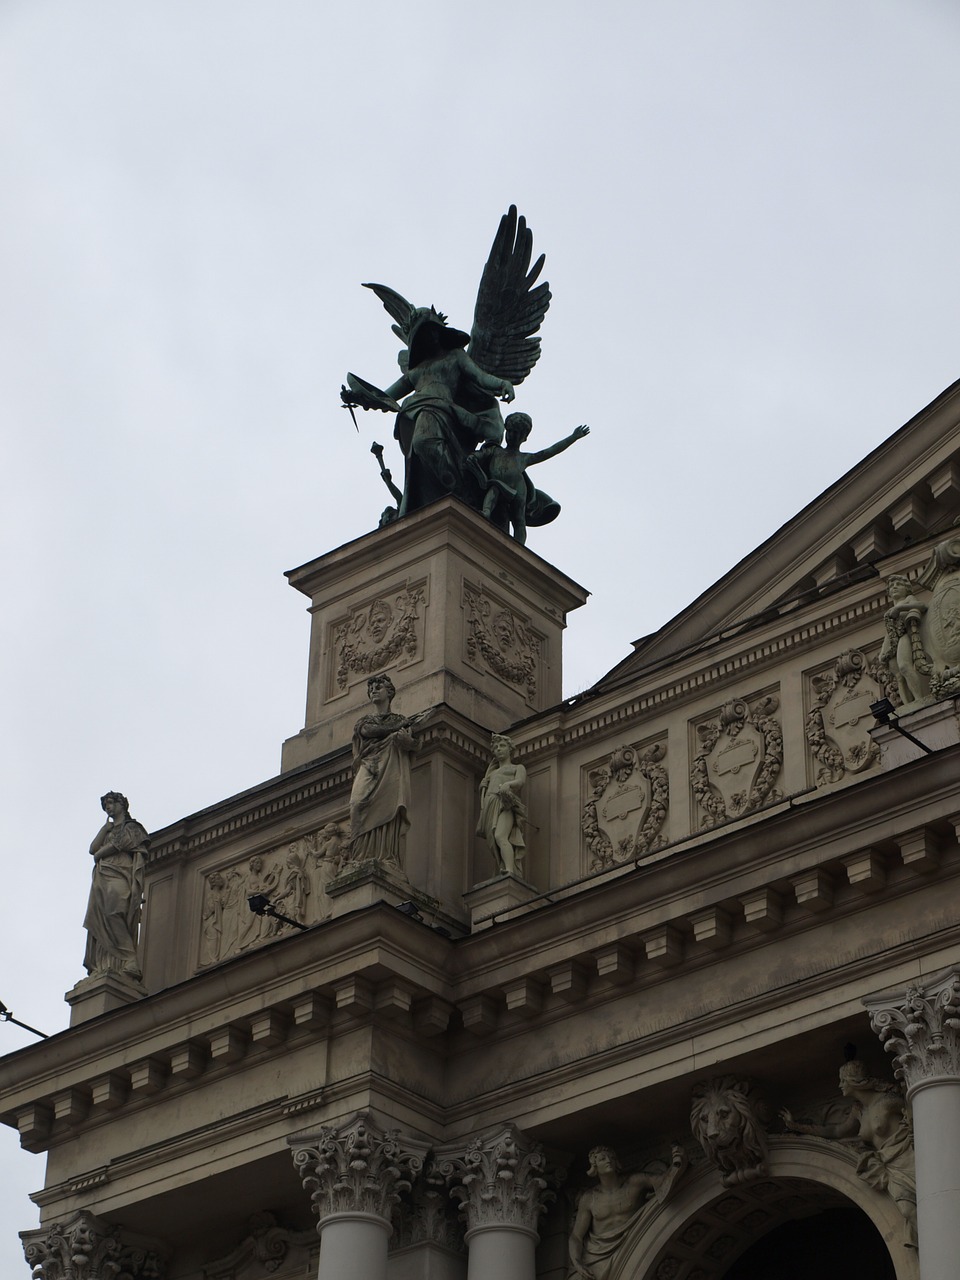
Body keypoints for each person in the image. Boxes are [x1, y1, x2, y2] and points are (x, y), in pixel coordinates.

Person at [343, 308, 514, 516]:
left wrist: (502, 383)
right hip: (411, 413)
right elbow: (385, 396)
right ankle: (444, 495)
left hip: (441, 409)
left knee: (423, 442)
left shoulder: (455, 356)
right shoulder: (416, 371)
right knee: (419, 460)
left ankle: (460, 491)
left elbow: (480, 377)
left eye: (433, 331)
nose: (431, 337)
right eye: (425, 334)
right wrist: (358, 397)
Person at [781, 1057, 917, 1247]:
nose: (840, 1085)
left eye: (843, 1080)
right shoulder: (858, 1110)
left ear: (855, 1080)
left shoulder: (889, 1101)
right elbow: (836, 1131)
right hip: (888, 1165)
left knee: (912, 1210)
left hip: (906, 1158)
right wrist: (796, 1126)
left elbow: (914, 1111)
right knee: (907, 1209)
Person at [467, 414, 590, 544]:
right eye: (510, 431)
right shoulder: (494, 450)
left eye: (517, 433)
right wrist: (475, 458)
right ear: (505, 430)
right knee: (495, 488)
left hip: (518, 489)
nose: (512, 435)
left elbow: (550, 451)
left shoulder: (524, 458)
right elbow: (477, 456)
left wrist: (573, 437)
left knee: (519, 519)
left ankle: (519, 546)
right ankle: (485, 513)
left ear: (524, 438)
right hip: (497, 485)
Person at [568, 1144, 685, 1280]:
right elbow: (576, 1236)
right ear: (594, 1166)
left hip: (633, 1244)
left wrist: (679, 1161)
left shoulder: (635, 1181)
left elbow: (664, 1181)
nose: (608, 1161)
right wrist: (577, 1263)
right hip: (597, 1256)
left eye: (611, 1158)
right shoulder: (589, 1198)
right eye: (602, 1159)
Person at [349, 673, 429, 868]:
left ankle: (384, 856)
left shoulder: (399, 720)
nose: (374, 690)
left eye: (379, 687)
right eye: (371, 688)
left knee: (388, 807)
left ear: (390, 692)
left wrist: (408, 741)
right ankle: (359, 855)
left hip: (391, 768)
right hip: (369, 765)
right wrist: (400, 727)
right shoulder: (366, 721)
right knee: (357, 803)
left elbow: (413, 744)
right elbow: (369, 731)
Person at [83, 792, 148, 981]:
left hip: (121, 871)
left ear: (122, 804)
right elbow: (91, 849)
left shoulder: (132, 828)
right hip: (103, 875)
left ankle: (129, 957)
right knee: (103, 914)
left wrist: (100, 854)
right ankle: (116, 963)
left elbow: (121, 844)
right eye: (105, 806)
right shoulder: (109, 830)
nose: (108, 808)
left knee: (116, 909)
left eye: (111, 803)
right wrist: (104, 830)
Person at [476, 733, 527, 876]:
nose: (499, 749)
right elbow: (486, 790)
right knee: (493, 840)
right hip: (490, 804)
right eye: (496, 747)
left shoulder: (517, 767)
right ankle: (503, 867)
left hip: (505, 804)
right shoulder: (492, 773)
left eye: (502, 746)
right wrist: (483, 786)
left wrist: (507, 784)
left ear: (510, 749)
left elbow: (520, 782)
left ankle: (511, 871)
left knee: (500, 836)